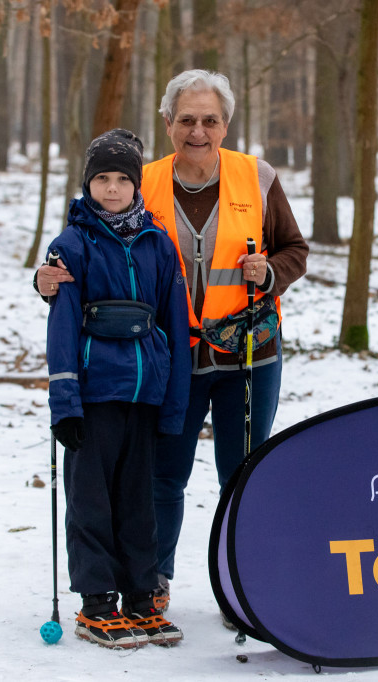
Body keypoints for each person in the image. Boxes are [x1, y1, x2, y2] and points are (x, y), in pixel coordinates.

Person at [37, 71, 309, 615]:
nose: (198, 131)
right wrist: (47, 278)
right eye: (187, 120)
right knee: (163, 477)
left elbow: (295, 250)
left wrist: (270, 270)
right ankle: (153, 580)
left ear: (226, 124)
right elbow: (88, 247)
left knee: (244, 474)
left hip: (249, 355)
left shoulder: (257, 177)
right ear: (167, 124)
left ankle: (245, 586)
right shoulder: (142, 182)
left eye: (210, 120)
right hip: (169, 362)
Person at [44, 128, 190, 649]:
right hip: (93, 395)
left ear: (136, 185)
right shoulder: (72, 245)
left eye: (121, 179)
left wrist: (174, 405)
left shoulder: (158, 244)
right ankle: (97, 601)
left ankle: (141, 598)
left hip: (144, 393)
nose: (111, 189)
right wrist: (65, 404)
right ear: (87, 185)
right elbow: (61, 330)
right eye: (101, 179)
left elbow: (175, 324)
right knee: (91, 500)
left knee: (139, 502)